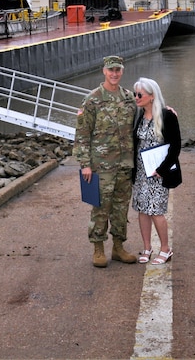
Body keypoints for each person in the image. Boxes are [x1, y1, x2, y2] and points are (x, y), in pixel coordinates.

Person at [74, 55, 139, 268]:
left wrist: (168, 113)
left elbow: (146, 112)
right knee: (100, 208)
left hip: (124, 164)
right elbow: (83, 134)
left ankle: (118, 247)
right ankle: (98, 248)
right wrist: (85, 164)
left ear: (122, 71)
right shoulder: (92, 100)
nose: (114, 74)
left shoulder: (129, 98)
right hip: (101, 165)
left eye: (117, 70)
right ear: (104, 71)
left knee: (121, 208)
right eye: (111, 70)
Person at [131, 77, 182, 265]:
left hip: (158, 172)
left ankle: (165, 249)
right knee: (142, 210)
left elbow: (175, 146)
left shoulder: (167, 116)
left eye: (139, 95)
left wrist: (161, 170)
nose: (136, 97)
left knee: (156, 211)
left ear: (151, 96)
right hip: (140, 172)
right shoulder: (138, 116)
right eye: (134, 94)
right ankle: (146, 248)